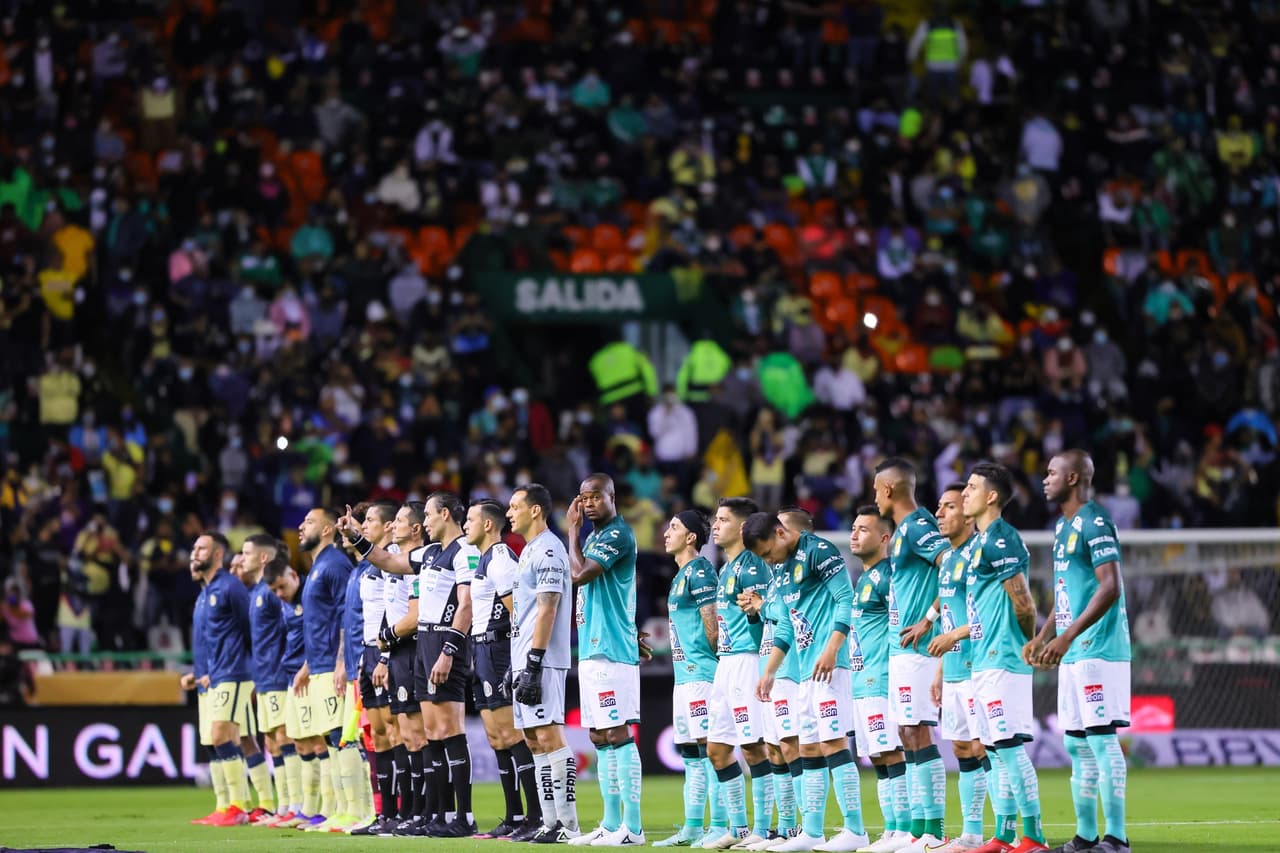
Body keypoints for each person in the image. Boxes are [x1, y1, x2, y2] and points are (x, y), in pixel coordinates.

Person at [339, 492, 479, 837]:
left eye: (429, 516)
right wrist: (356, 536)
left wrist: (449, 650)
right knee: (431, 734)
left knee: (450, 731)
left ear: (444, 514)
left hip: (445, 643)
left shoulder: (465, 552)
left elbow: (466, 605)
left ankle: (464, 815)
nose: (425, 522)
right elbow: (388, 561)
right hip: (424, 647)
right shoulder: (429, 553)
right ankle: (437, 815)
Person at [746, 511, 866, 853]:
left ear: (781, 533)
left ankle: (856, 831)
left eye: (767, 551)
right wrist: (769, 671)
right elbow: (785, 626)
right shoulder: (779, 568)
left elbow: (846, 600)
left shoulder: (819, 551)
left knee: (833, 744)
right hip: (803, 671)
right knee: (809, 747)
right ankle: (812, 832)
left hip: (830, 664)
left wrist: (831, 649)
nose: (767, 559)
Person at [1032, 452, 1131, 853]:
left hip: (1100, 649)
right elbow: (1065, 594)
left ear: (1073, 478)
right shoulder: (1062, 526)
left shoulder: (1095, 521)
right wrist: (1043, 636)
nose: (1045, 478)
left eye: (1052, 472)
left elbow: (1110, 587)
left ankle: (1117, 837)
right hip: (1075, 652)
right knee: (1076, 743)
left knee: (1102, 740)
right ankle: (1086, 836)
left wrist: (1067, 636)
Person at [959, 464, 1047, 853]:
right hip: (983, 658)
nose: (965, 492)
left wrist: (1027, 644)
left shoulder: (1001, 539)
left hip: (1003, 658)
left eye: (972, 487)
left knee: (1008, 747)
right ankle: (1005, 834)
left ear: (991, 497)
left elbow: (1024, 602)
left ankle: (1035, 836)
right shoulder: (979, 542)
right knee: (993, 750)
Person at [873, 458, 950, 853]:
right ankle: (919, 830)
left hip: (921, 649)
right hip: (903, 651)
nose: (874, 497)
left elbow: (952, 565)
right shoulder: (904, 531)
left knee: (919, 731)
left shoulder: (919, 526)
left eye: (875, 490)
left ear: (888, 489)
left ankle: (934, 830)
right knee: (907, 732)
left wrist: (930, 618)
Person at [567, 473, 645, 846]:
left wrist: (570, 532)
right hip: (593, 648)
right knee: (599, 735)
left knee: (617, 733)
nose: (587, 503)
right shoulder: (595, 537)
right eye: (583, 497)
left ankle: (633, 827)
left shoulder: (615, 534)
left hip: (612, 649)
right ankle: (612, 824)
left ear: (612, 497)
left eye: (595, 496)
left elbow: (579, 575)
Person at [506, 483, 583, 843]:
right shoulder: (528, 551)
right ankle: (550, 822)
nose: (509, 513)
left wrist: (534, 661)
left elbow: (549, 606)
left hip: (545, 660)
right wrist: (517, 662)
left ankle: (568, 825)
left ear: (535, 510)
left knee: (550, 735)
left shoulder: (549, 550)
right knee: (534, 740)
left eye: (515, 506)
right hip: (525, 657)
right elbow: (526, 612)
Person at [465, 498, 541, 839]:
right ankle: (513, 816)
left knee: (512, 736)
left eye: (470, 519)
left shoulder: (499, 558)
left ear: (487, 525)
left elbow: (519, 611)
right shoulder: (484, 559)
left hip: (497, 650)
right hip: (481, 651)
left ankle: (535, 816)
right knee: (497, 739)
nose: (465, 525)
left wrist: (515, 660)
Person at [926, 486, 996, 853]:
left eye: (949, 506)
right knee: (961, 747)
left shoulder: (979, 554)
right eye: (939, 506)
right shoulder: (949, 559)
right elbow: (949, 614)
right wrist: (939, 669)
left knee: (987, 746)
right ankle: (971, 833)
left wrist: (953, 635)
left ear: (967, 514)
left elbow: (991, 611)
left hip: (979, 664)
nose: (940, 513)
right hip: (953, 667)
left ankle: (1009, 829)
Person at [705, 499, 775, 850]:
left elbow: (769, 616)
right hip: (725, 662)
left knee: (753, 747)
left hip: (748, 660)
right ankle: (740, 827)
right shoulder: (726, 568)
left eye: (723, 520)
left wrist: (755, 614)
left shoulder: (753, 566)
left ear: (744, 527)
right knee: (716, 749)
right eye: (715, 519)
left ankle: (764, 829)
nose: (715, 525)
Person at [843, 508, 910, 853]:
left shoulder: (889, 577)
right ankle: (891, 829)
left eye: (864, 529)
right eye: (854, 528)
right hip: (861, 681)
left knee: (891, 753)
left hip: (881, 679)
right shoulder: (864, 579)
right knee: (879, 760)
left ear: (885, 538)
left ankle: (905, 830)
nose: (854, 535)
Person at [365, 502, 431, 836]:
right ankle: (410, 812)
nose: (394, 526)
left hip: (412, 648)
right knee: (406, 735)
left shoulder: (421, 561)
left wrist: (386, 647)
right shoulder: (395, 560)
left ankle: (427, 812)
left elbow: (412, 615)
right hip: (396, 652)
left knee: (418, 735)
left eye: (401, 521)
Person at [655, 510, 719, 848]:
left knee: (711, 752)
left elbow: (714, 627)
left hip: (702, 675)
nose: (667, 532)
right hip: (685, 676)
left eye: (674, 527)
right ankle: (694, 826)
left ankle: (721, 824)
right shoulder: (681, 575)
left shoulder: (701, 571)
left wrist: (719, 663)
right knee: (692, 755)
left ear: (691, 537)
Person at [189, 532, 257, 827]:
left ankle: (239, 806)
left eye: (201, 548)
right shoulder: (204, 593)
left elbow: (249, 629)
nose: (194, 553)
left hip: (232, 672)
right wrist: (198, 672)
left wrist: (254, 671)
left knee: (221, 736)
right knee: (210, 742)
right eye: (194, 548)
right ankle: (223, 804)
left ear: (218, 554)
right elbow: (207, 640)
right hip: (209, 677)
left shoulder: (231, 588)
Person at [292, 508, 354, 831]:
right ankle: (339, 810)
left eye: (310, 522)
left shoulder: (335, 564)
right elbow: (320, 621)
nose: (302, 527)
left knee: (341, 737)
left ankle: (354, 810)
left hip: (333, 665)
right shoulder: (318, 566)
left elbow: (347, 613)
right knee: (330, 739)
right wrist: (306, 664)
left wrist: (343, 660)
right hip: (317, 665)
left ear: (328, 529)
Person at [350, 501, 404, 837]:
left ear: (387, 527)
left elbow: (394, 609)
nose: (364, 525)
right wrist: (363, 657)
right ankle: (385, 813)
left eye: (370, 520)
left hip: (387, 651)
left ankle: (405, 811)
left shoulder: (393, 559)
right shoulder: (371, 564)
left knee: (398, 734)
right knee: (378, 737)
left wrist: (384, 656)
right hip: (368, 652)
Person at [238, 534, 295, 825]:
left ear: (263, 557)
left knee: (285, 739)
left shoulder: (272, 592)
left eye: (246, 553)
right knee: (272, 743)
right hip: (263, 677)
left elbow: (291, 628)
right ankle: (283, 807)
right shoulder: (256, 592)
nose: (241, 558)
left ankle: (294, 806)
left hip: (277, 675)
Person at [331, 504, 381, 833]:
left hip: (371, 662)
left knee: (377, 741)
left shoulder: (374, 569)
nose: (347, 532)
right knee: (363, 741)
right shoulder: (355, 572)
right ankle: (370, 809)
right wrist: (340, 662)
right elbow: (348, 624)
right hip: (354, 668)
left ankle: (384, 810)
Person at [263, 555, 314, 828]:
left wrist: (307, 667)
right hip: (291, 676)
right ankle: (301, 807)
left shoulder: (310, 595)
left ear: (294, 575)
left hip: (310, 676)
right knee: (298, 741)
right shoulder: (286, 604)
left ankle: (324, 808)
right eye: (274, 592)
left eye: (282, 587)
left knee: (318, 741)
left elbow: (320, 633)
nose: (280, 595)